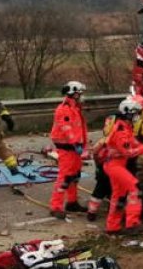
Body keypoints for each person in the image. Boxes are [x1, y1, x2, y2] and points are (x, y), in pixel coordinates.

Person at [103, 96, 143, 236]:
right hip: (115, 165)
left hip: (115, 165)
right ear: (128, 113)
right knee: (135, 189)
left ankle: (112, 227)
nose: (137, 116)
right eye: (136, 113)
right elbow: (129, 152)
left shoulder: (124, 127)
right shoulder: (121, 132)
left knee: (118, 196)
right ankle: (133, 223)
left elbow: (134, 143)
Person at [49, 80, 88, 219]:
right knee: (65, 177)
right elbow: (67, 129)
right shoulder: (64, 109)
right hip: (67, 148)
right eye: (79, 93)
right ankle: (55, 206)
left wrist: (83, 146)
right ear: (73, 94)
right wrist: (76, 143)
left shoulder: (75, 108)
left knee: (74, 176)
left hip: (74, 147)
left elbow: (80, 129)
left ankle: (72, 202)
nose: (81, 96)